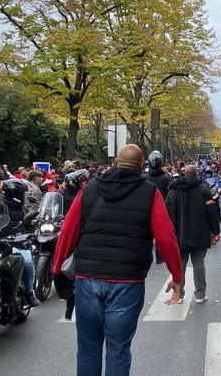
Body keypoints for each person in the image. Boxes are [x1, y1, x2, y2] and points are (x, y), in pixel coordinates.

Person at [51, 144, 182, 376]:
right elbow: (165, 237)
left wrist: (57, 269)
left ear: (115, 162)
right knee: (118, 349)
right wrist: (177, 276)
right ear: (142, 165)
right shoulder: (150, 193)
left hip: (88, 278)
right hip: (128, 281)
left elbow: (67, 233)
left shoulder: (89, 189)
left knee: (88, 349)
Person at [165, 165, 221, 304]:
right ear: (196, 174)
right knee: (198, 263)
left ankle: (180, 294)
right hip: (199, 233)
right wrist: (215, 232)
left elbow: (167, 211)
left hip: (179, 233)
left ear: (184, 174)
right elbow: (212, 211)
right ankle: (200, 295)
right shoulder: (203, 189)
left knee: (181, 264)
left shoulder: (174, 190)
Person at [0, 178, 40, 307]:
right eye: (21, 193)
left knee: (27, 262)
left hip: (18, 245)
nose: (23, 196)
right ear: (15, 193)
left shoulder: (23, 209)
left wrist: (32, 228)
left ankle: (29, 293)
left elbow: (29, 225)